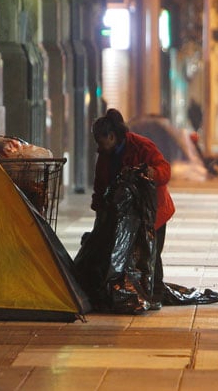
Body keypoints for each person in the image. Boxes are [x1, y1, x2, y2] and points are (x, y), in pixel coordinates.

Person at [91, 108, 175, 306]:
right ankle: (134, 291)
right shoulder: (105, 153)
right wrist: (99, 207)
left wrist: (150, 173)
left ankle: (155, 292)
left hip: (153, 211)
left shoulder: (141, 146)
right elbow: (100, 182)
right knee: (126, 253)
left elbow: (165, 171)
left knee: (151, 253)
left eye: (101, 141)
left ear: (111, 136)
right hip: (126, 213)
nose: (99, 146)